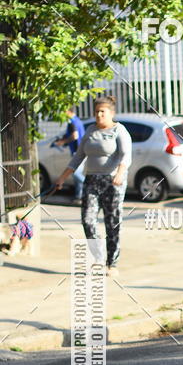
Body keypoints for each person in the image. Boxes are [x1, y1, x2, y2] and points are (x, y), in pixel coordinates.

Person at [55, 95, 132, 276]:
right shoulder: (90, 130)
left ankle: (112, 263)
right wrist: (62, 178)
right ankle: (98, 258)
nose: (98, 115)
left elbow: (126, 155)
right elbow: (78, 157)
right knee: (88, 220)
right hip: (91, 180)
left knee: (111, 223)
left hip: (113, 182)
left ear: (111, 113)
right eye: (96, 112)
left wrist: (120, 173)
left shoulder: (119, 130)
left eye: (102, 112)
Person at [53, 108, 85, 201]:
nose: (63, 114)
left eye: (64, 111)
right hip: (80, 151)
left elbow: (75, 136)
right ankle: (79, 196)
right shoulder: (78, 121)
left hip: (78, 152)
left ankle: (89, 189)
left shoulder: (72, 122)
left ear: (69, 111)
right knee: (76, 175)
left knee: (77, 174)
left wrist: (63, 142)